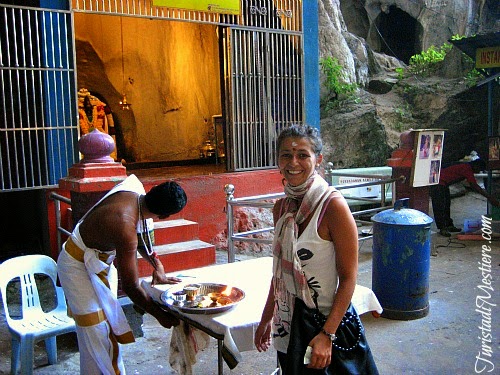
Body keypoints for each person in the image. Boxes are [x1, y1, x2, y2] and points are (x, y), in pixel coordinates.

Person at [254, 124, 378, 373]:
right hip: (291, 324)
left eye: (303, 155)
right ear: (278, 160)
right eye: (286, 155)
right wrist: (267, 317)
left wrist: (327, 335)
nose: (294, 162)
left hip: (331, 323)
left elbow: (348, 277)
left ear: (318, 160)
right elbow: (280, 275)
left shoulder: (333, 207)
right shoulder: (282, 208)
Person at [57, 174, 187, 374]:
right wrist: (160, 315)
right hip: (75, 266)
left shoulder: (136, 190)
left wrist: (158, 267)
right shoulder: (125, 227)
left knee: (102, 329)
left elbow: (143, 232)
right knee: (97, 330)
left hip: (97, 263)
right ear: (163, 216)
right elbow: (131, 287)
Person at [430, 158, 500, 237]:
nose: (478, 172)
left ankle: (449, 225)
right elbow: (474, 185)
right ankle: (442, 228)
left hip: (444, 183)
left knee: (446, 204)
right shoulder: (467, 168)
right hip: (438, 182)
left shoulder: (465, 166)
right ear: (476, 165)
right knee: (440, 206)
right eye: (479, 169)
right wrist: (489, 197)